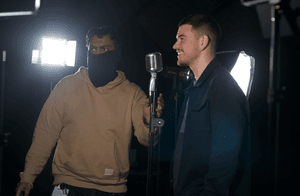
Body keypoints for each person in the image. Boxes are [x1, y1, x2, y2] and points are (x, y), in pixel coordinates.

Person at [15, 26, 164, 196]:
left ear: (117, 52)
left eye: (105, 49)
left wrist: (148, 121)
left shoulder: (133, 93)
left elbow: (147, 140)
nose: (98, 54)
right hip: (67, 184)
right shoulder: (67, 86)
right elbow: (45, 134)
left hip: (111, 189)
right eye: (93, 49)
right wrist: (27, 177)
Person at [168, 14, 251, 196]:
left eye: (181, 39)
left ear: (202, 42)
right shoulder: (195, 88)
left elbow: (225, 162)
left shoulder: (222, 87)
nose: (175, 46)